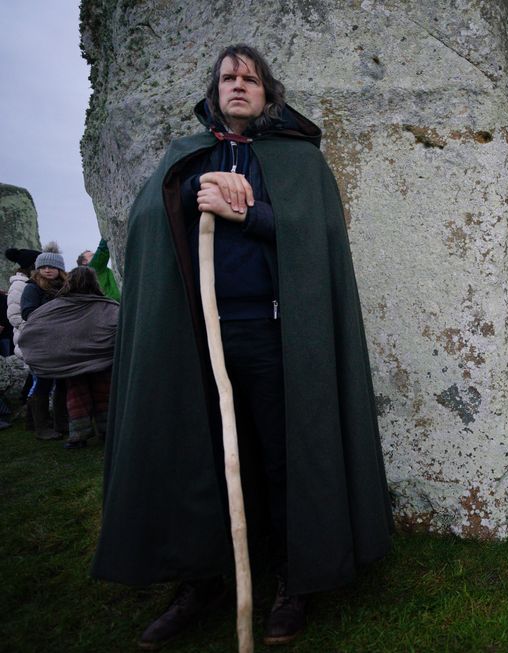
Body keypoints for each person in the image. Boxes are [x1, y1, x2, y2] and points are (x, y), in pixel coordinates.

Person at [92, 44, 392, 649]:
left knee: (284, 457)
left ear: (267, 93)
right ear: (214, 90)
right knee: (196, 454)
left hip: (272, 333)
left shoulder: (299, 162)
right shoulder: (185, 158)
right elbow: (154, 228)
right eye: (228, 77)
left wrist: (246, 214)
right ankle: (198, 583)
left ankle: (291, 579)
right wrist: (194, 192)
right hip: (196, 335)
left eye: (249, 79)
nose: (238, 86)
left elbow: (313, 238)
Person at [18, 266, 117, 450]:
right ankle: (108, 431)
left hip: (72, 365)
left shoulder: (53, 308)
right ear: (94, 282)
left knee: (77, 397)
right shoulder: (107, 306)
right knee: (104, 395)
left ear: (69, 282)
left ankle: (78, 436)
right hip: (102, 363)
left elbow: (32, 328)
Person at [20, 244, 70, 441]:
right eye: (43, 267)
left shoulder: (66, 287)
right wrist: (54, 312)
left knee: (64, 380)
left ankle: (61, 422)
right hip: (41, 341)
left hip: (63, 339)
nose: (47, 270)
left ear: (59, 269)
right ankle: (41, 426)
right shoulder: (32, 288)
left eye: (52, 267)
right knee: (43, 381)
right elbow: (27, 312)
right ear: (37, 269)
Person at [5, 247, 40, 428]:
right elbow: (14, 316)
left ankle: (32, 414)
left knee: (36, 377)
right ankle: (32, 417)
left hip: (31, 336)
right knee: (37, 378)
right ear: (31, 265)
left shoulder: (27, 283)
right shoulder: (19, 285)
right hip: (27, 337)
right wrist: (34, 328)